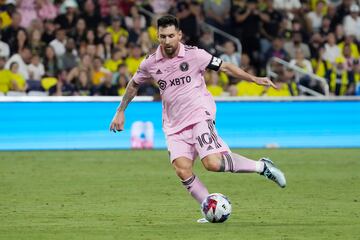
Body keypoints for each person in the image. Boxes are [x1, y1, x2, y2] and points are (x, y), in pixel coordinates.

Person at [109, 15, 286, 223]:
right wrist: (120, 111)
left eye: (171, 36)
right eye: (163, 36)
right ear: (157, 36)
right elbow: (133, 84)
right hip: (174, 125)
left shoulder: (196, 55)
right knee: (182, 169)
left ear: (179, 35)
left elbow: (226, 67)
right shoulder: (150, 63)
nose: (167, 41)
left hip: (199, 115)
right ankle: (209, 207)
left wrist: (254, 79)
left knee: (212, 163)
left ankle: (262, 167)